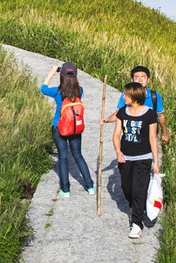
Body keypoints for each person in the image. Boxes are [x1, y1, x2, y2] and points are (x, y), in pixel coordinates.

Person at [110, 82, 160, 239]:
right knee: (127, 188)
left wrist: (156, 162)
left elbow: (153, 139)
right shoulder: (122, 112)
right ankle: (137, 206)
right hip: (125, 157)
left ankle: (137, 223)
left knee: (138, 189)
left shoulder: (150, 114)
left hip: (144, 157)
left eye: (126, 94)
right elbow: (117, 134)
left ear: (135, 96)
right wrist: (118, 151)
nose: (123, 97)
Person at [41, 62, 95, 198]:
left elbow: (43, 88)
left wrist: (52, 73)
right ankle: (89, 186)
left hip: (59, 128)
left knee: (63, 158)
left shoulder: (57, 92)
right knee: (78, 156)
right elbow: (74, 84)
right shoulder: (80, 91)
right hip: (75, 128)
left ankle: (65, 189)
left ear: (62, 75)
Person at [103, 65, 168, 144]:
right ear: (132, 80)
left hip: (149, 137)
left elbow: (161, 116)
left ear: (148, 80)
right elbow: (118, 113)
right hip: (131, 137)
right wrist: (107, 120)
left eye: (143, 77)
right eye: (137, 77)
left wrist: (165, 133)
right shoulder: (126, 95)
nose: (140, 80)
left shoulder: (155, 96)